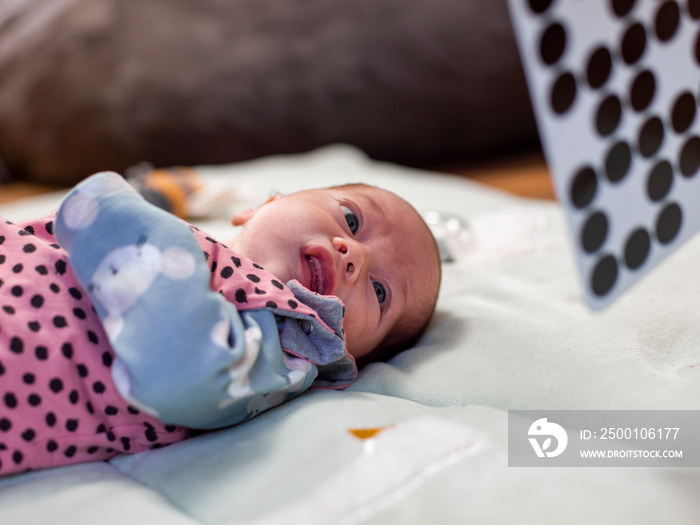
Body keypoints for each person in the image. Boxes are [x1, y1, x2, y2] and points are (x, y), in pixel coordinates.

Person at [0, 172, 440, 476]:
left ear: (350, 355)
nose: (356, 256)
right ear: (264, 206)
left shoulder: (283, 337)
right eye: (351, 219)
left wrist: (127, 220)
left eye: (380, 293)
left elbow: (184, 375)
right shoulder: (193, 243)